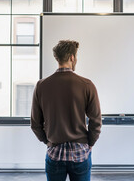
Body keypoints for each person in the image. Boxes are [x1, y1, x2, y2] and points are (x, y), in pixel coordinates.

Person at [31, 40, 102, 181]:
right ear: (72, 58)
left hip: (54, 153)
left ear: (57, 58)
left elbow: (35, 124)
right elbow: (96, 121)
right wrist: (90, 143)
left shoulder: (41, 86)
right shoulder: (87, 85)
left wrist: (48, 142)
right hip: (80, 153)